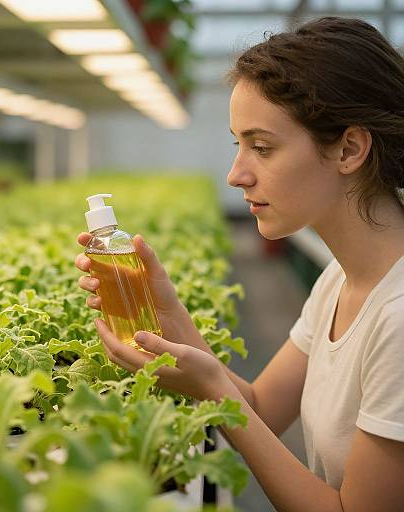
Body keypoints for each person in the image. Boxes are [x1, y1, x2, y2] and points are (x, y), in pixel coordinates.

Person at [75, 16, 404, 511]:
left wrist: (208, 387)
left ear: (350, 149)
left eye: (262, 147)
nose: (236, 174)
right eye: (239, 145)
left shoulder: (398, 318)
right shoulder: (340, 279)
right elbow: (261, 409)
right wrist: (170, 314)